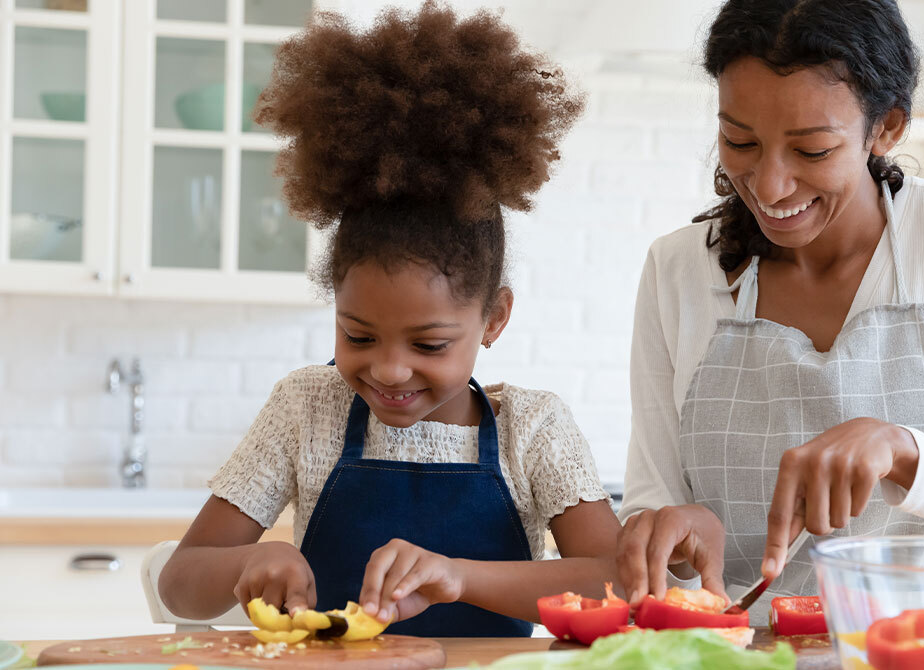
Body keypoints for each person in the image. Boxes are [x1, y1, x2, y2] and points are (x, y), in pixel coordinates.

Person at [615, 0, 924, 619]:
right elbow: (650, 499)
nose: (769, 186)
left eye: (811, 150)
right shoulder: (678, 269)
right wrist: (667, 532)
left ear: (887, 128)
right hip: (740, 655)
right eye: (740, 141)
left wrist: (903, 451)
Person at [158, 1, 617, 637]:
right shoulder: (305, 409)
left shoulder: (533, 430)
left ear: (494, 318)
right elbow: (180, 584)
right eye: (358, 335)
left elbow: (615, 586)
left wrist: (462, 576)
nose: (389, 368)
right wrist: (252, 560)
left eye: (429, 343)